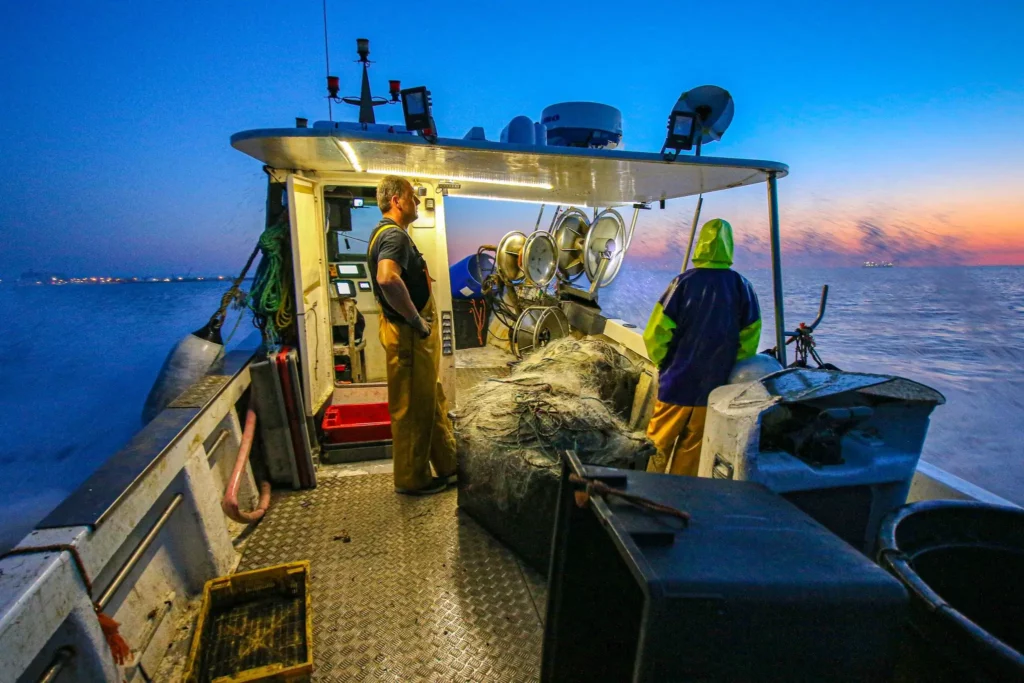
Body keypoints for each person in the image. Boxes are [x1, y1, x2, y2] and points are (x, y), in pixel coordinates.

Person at [643, 218, 761, 476]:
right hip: (713, 388)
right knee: (692, 452)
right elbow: (750, 338)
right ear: (729, 247)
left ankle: (643, 491)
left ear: (701, 245)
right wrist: (727, 368)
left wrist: (663, 363)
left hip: (676, 382)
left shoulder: (682, 283)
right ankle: (677, 498)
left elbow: (656, 332)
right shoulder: (743, 287)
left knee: (656, 445)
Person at [368, 176, 457, 495]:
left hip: (408, 333)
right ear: (396, 201)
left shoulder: (389, 234)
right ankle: (411, 479)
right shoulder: (393, 236)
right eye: (412, 197)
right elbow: (388, 279)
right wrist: (416, 320)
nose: (417, 201)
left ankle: (448, 464)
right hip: (408, 334)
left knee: (428, 400)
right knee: (410, 408)